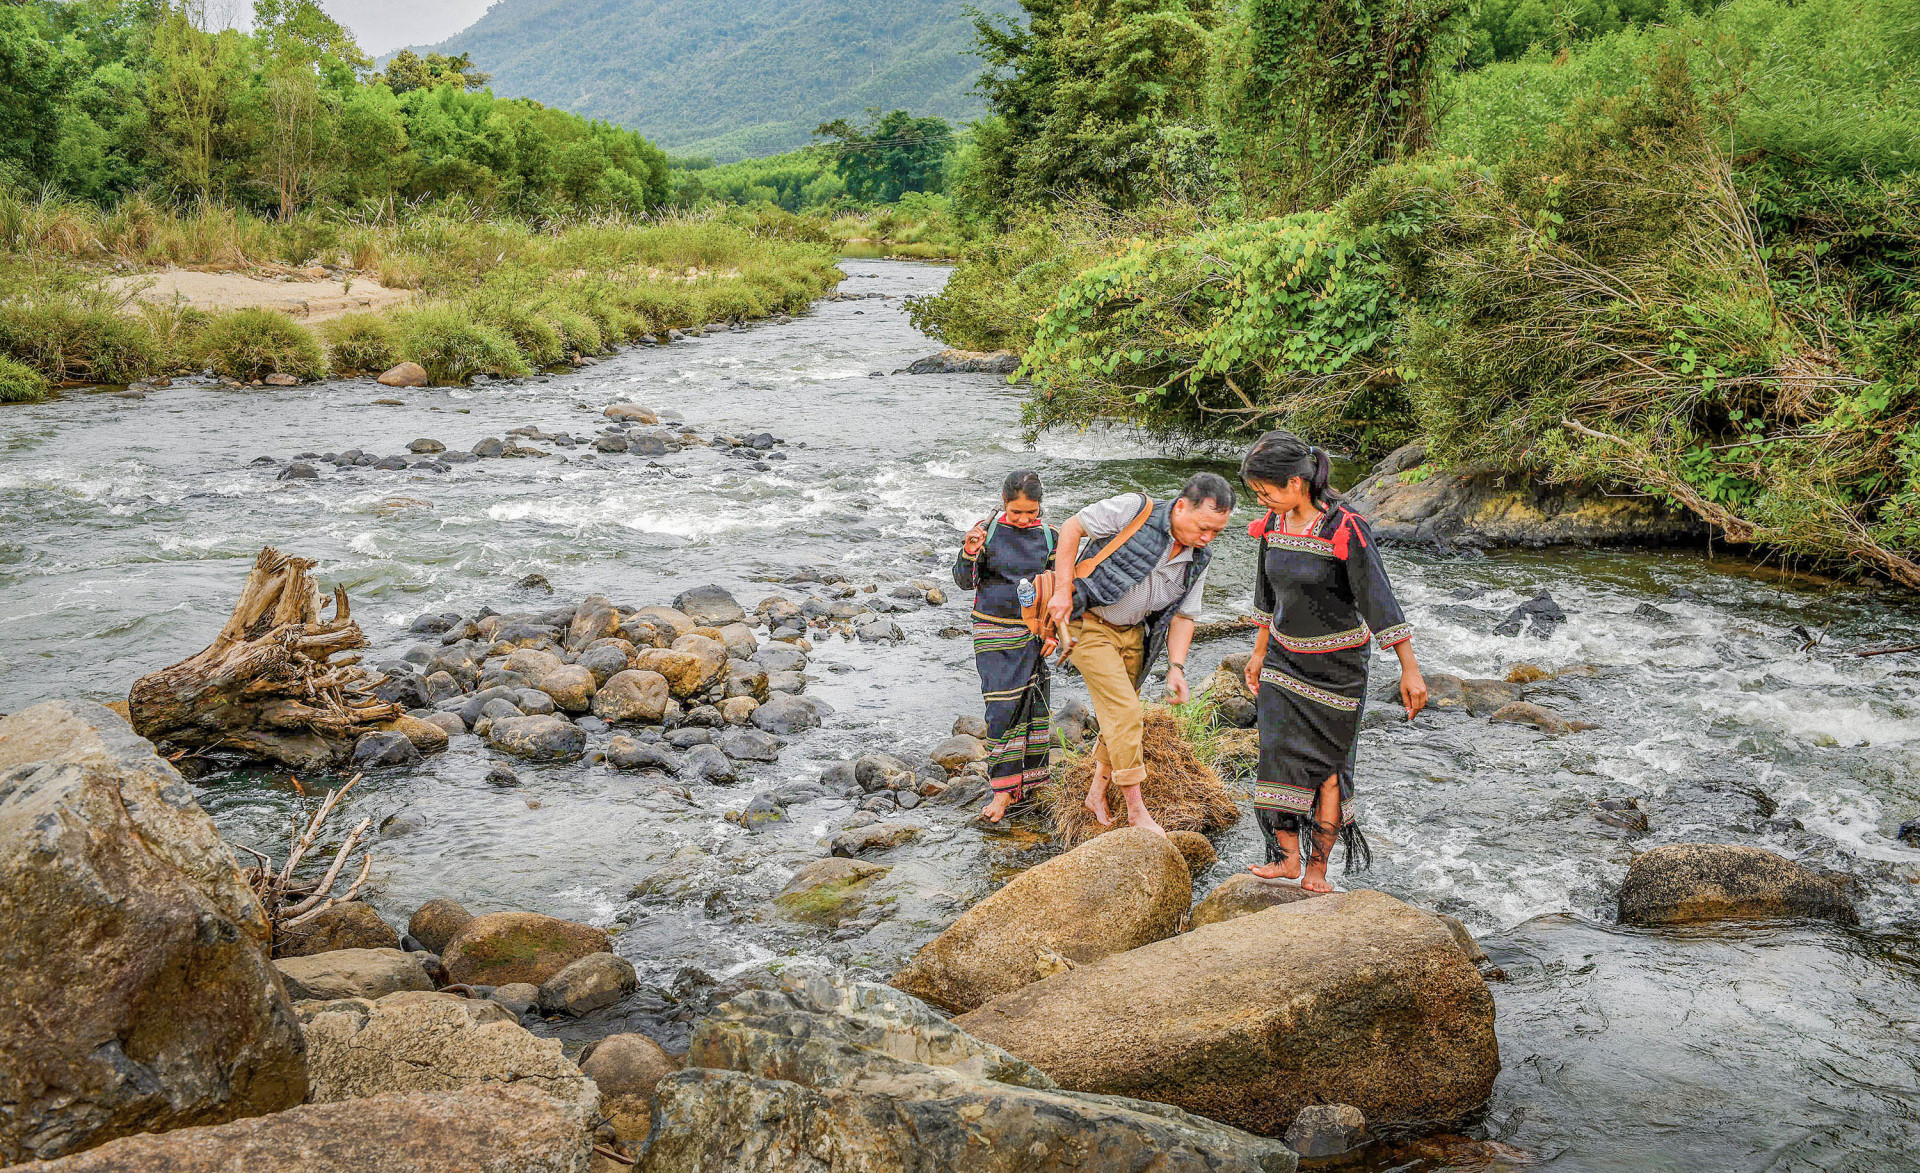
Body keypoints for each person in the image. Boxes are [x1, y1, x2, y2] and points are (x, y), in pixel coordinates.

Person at [1239, 430, 1427, 892]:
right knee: (1277, 755)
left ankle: (1317, 870)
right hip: (1284, 661)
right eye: (1257, 492)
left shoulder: (1346, 528)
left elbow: (1379, 599)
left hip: (1338, 672)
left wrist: (1409, 667)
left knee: (1329, 768)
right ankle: (1285, 859)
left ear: (1296, 484)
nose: (1262, 498)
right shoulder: (1274, 524)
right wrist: (1259, 651)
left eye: (1266, 489)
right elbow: (1267, 594)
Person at [1045, 473, 1236, 836]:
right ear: (1181, 506)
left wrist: (1176, 668)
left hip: (1135, 636)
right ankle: (1137, 811)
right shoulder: (1136, 508)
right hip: (1088, 623)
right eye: (1203, 527)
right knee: (1126, 711)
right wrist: (1062, 589)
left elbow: (1183, 615)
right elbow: (1072, 527)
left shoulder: (1199, 559)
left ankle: (1097, 793)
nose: (1208, 537)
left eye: (1217, 532)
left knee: (1118, 717)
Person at [954, 470, 1060, 823]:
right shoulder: (985, 533)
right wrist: (969, 552)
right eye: (1017, 512)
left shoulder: (1051, 537)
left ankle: (1030, 783)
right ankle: (1001, 790)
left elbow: (1060, 589)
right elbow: (963, 582)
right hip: (992, 630)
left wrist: (1053, 633)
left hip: (1034, 633)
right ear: (1004, 503)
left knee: (1032, 705)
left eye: (1032, 512)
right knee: (1000, 708)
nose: (1025, 519)